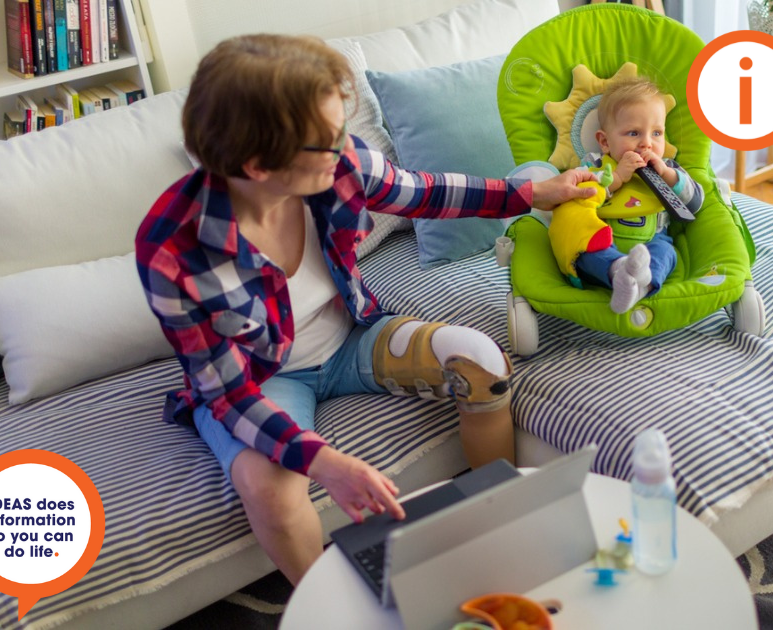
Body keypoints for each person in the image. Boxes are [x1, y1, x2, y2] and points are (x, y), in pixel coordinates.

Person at [134, 33, 594, 585]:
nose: (346, 147)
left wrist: (531, 196)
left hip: (353, 337)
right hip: (259, 380)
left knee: (483, 363)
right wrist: (325, 463)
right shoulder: (173, 249)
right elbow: (226, 392)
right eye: (327, 142)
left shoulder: (340, 162)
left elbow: (421, 191)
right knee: (270, 490)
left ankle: (493, 524)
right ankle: (326, 607)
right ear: (257, 165)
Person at [548, 76, 703, 313]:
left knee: (667, 253)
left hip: (652, 240)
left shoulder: (668, 168)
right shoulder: (594, 166)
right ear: (605, 141)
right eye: (633, 133)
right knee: (583, 254)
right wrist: (617, 178)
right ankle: (619, 272)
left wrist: (668, 175)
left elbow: (695, 203)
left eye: (657, 133)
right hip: (603, 239)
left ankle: (641, 285)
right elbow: (577, 199)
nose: (646, 144)